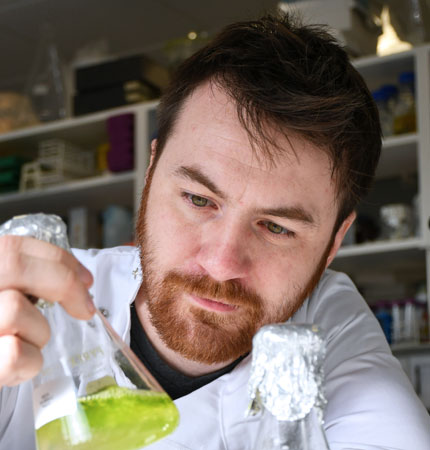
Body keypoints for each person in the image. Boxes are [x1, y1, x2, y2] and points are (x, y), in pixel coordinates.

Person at [0, 13, 429, 450]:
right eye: (199, 200)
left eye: (277, 228)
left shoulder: (327, 323)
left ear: (335, 241)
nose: (222, 264)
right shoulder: (30, 305)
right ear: (151, 174)